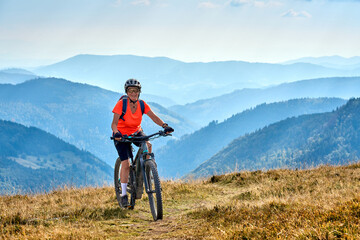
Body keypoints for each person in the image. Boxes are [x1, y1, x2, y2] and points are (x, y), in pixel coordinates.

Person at [111, 78, 174, 208]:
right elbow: (114, 123)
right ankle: (123, 194)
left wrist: (164, 125)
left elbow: (154, 117)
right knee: (126, 164)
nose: (133, 93)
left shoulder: (142, 104)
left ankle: (149, 171)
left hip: (136, 132)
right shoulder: (121, 104)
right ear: (127, 92)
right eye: (131, 91)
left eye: (136, 91)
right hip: (121, 136)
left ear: (139, 92)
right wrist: (116, 133)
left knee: (148, 145)